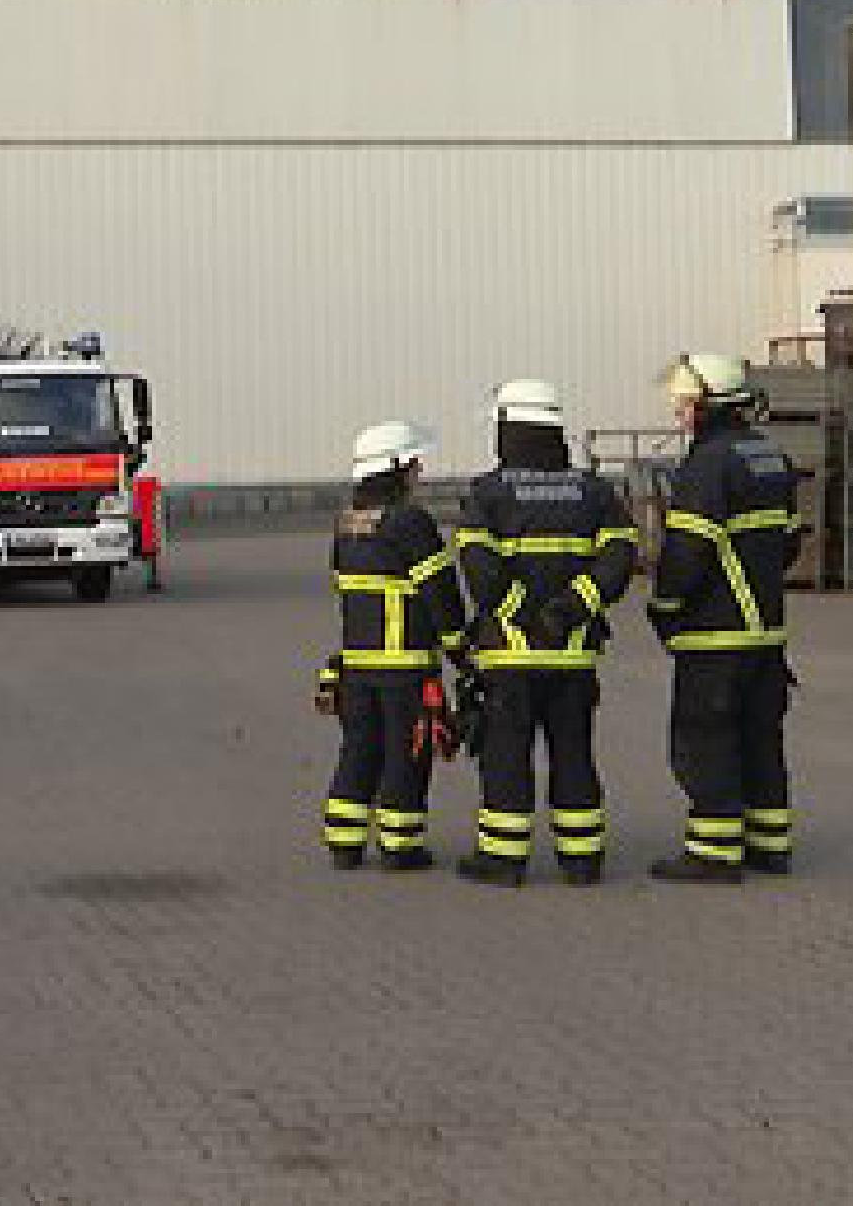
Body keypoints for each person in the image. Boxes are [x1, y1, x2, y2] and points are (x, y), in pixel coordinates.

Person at [451, 380, 638, 887]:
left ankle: (504, 858)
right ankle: (582, 859)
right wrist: (574, 606)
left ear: (509, 428)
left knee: (506, 756)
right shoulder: (593, 490)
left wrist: (521, 613)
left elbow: (479, 567)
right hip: (574, 656)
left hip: (510, 659)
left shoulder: (488, 492)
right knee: (574, 753)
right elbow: (620, 556)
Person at [646, 353, 801, 884]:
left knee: (704, 738)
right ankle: (768, 843)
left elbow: (686, 551)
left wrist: (665, 608)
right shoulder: (771, 456)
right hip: (766, 633)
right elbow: (788, 546)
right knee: (760, 738)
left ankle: (713, 851)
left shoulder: (708, 463)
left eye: (686, 403)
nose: (680, 414)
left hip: (714, 634)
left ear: (710, 403)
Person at [321, 421, 469, 871]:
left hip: (357, 665)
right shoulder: (411, 523)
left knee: (359, 748)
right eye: (414, 463)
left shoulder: (347, 522)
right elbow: (440, 592)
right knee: (407, 751)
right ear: (396, 468)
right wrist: (459, 647)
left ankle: (344, 843)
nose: (418, 472)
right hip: (405, 667)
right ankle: (400, 846)